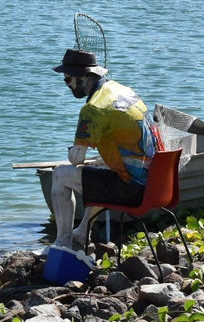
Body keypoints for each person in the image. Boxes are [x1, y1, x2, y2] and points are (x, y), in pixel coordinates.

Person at [49, 48, 161, 251]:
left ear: (81, 78)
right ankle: (82, 232)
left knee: (60, 175)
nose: (67, 85)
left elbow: (76, 159)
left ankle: (62, 242)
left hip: (132, 190)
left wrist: (74, 149)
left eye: (67, 80)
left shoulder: (93, 108)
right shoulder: (122, 90)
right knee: (100, 170)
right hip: (155, 181)